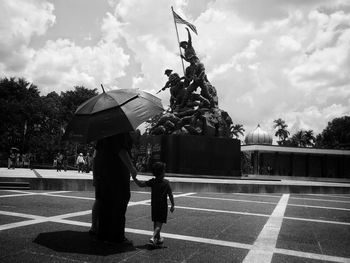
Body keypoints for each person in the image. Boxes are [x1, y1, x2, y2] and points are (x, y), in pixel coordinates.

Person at [92, 132, 137, 245]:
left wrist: (95, 175)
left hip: (104, 173)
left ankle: (102, 235)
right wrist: (131, 168)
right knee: (120, 203)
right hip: (118, 174)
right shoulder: (120, 131)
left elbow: (96, 155)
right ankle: (117, 237)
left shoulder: (102, 134)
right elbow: (121, 150)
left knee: (105, 204)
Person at [132, 162, 175, 246]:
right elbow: (170, 194)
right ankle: (153, 238)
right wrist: (173, 205)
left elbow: (141, 185)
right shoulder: (166, 183)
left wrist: (134, 178)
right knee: (159, 224)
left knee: (156, 222)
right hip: (162, 206)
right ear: (162, 172)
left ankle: (158, 238)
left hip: (154, 205)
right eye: (164, 171)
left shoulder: (153, 181)